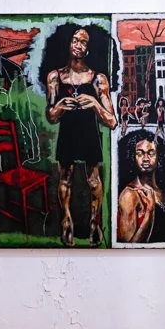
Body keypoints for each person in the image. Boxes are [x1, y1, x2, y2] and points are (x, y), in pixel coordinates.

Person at [46, 27, 116, 247]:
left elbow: (112, 121)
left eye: (83, 42)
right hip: (67, 132)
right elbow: (51, 116)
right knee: (65, 177)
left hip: (89, 133)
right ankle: (66, 221)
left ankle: (95, 223)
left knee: (93, 180)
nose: (78, 45)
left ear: (88, 48)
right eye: (75, 40)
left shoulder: (98, 79)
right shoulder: (55, 76)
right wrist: (59, 106)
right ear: (68, 43)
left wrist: (94, 103)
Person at [117, 130, 165, 243]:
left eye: (151, 153)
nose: (146, 159)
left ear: (159, 156)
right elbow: (129, 247)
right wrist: (149, 211)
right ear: (133, 157)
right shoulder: (129, 195)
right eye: (140, 153)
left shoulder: (164, 192)